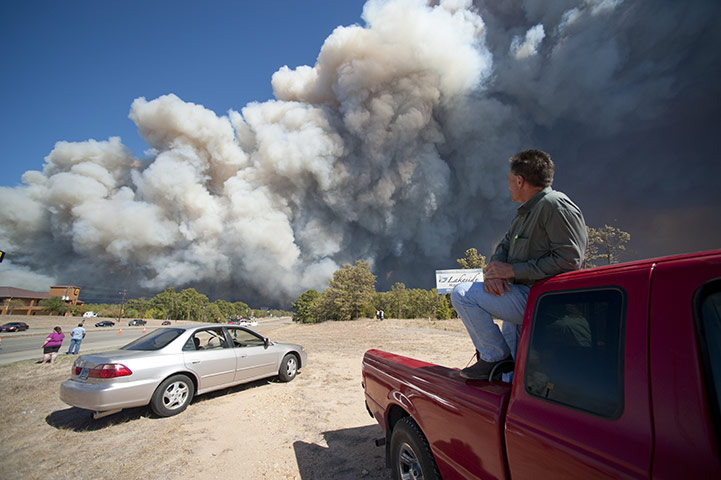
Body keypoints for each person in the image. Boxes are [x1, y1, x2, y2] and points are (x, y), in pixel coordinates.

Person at [451, 149, 587, 380]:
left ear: (520, 180)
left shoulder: (555, 206)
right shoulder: (525, 214)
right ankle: (503, 370)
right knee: (511, 377)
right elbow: (503, 247)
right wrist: (495, 273)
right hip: (523, 295)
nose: (508, 186)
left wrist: (513, 270)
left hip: (545, 299)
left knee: (463, 294)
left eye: (509, 181)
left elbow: (570, 260)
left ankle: (494, 357)